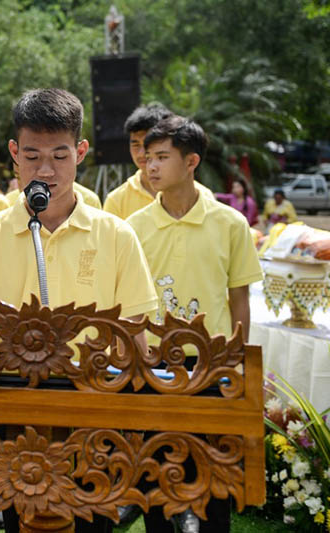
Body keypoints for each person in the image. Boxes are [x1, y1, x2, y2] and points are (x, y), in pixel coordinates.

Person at [0, 88, 158, 533]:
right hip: (12, 414)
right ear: (13, 153)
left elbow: (136, 331)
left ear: (81, 151)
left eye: (60, 156)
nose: (45, 170)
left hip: (96, 411)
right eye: (31, 156)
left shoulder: (117, 236)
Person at [126, 116, 262, 533]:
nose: (150, 167)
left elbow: (239, 297)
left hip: (211, 367)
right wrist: (137, 348)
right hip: (155, 366)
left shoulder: (230, 224)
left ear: (191, 162)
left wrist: (235, 359)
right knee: (154, 468)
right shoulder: (134, 228)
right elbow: (129, 302)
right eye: (147, 158)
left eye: (161, 157)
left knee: (213, 471)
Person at [103, 104, 215, 220]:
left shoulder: (203, 197)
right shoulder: (117, 201)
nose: (142, 154)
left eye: (161, 156)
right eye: (135, 145)